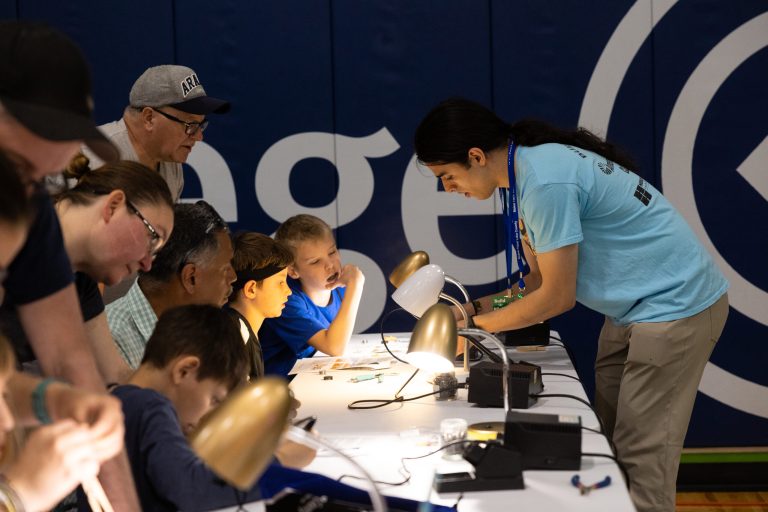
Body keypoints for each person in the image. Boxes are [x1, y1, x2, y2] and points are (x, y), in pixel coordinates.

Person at [413, 97, 729, 512]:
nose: (448, 188)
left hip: (676, 308)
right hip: (632, 311)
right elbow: (536, 282)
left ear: (475, 156)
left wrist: (477, 331)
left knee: (641, 464)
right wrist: (471, 311)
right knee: (607, 447)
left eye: (447, 176)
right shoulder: (524, 176)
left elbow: (556, 297)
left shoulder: (545, 182)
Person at [99, 304, 450, 512]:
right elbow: (194, 491)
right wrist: (280, 458)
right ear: (185, 370)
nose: (208, 416)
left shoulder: (125, 403)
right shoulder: (149, 406)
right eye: (215, 400)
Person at [0, 21, 139, 510]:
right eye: (20, 169)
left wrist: (53, 400)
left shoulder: (25, 208)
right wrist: (18, 495)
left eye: (43, 178)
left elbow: (61, 364)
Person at [1, 155, 175, 384]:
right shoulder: (14, 229)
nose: (147, 264)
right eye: (153, 238)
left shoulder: (81, 283)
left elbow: (111, 376)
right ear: (113, 206)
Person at [107, 201, 236, 368]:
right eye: (225, 268)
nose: (233, 277)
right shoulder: (112, 340)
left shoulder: (197, 333)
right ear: (191, 278)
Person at [227, 231, 316, 469]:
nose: (288, 291)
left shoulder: (245, 329)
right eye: (280, 283)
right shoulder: (232, 336)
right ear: (251, 289)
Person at [81, 64, 230, 202]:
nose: (199, 137)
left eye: (200, 125)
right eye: (190, 125)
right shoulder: (92, 158)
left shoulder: (169, 161)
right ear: (149, 118)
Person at [259, 215, 365, 377]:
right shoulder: (286, 300)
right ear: (293, 271)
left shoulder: (340, 289)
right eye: (315, 261)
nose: (330, 265)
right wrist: (356, 285)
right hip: (282, 385)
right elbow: (334, 347)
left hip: (315, 377)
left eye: (332, 252)